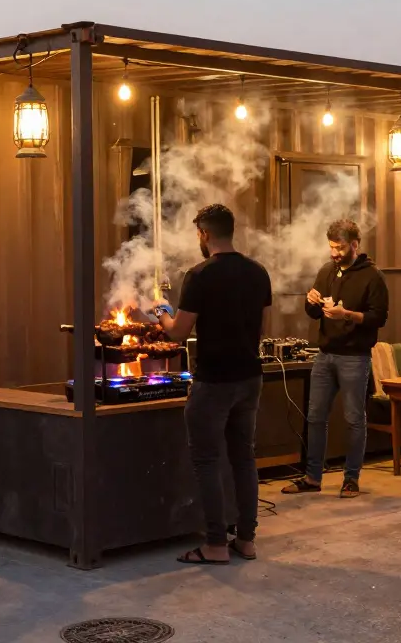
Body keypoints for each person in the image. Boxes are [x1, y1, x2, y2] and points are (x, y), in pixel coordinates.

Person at [154, 204, 273, 564]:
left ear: (204, 234)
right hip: (250, 378)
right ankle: (247, 540)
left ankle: (216, 544)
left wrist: (161, 311)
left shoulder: (199, 275)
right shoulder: (258, 272)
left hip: (214, 380)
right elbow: (262, 329)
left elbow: (178, 333)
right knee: (244, 458)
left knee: (206, 461)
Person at [282, 219, 388, 498]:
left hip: (355, 356)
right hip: (325, 354)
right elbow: (313, 313)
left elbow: (379, 317)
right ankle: (312, 477)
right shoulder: (327, 271)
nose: (335, 253)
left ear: (355, 244)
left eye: (340, 248)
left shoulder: (373, 276)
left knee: (354, 419)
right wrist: (311, 300)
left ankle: (351, 478)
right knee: (315, 417)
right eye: (331, 247)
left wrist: (347, 315)